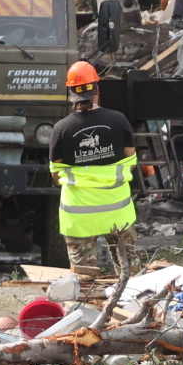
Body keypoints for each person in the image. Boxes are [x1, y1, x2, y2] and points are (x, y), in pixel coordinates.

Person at [50, 60, 138, 284]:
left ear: (71, 93)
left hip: (78, 216)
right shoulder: (119, 120)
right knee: (131, 277)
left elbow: (56, 175)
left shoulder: (61, 129)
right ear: (97, 90)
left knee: (83, 279)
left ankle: (86, 317)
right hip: (118, 212)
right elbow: (131, 160)